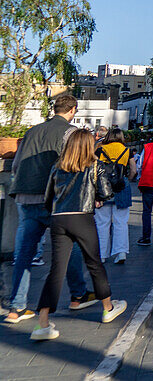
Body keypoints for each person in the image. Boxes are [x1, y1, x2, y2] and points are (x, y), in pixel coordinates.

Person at [4, 94, 94, 325]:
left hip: (24, 195)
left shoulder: (32, 131)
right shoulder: (71, 133)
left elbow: (15, 165)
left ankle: (17, 307)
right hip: (55, 199)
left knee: (23, 252)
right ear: (73, 110)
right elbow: (77, 166)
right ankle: (78, 294)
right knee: (68, 245)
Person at [31, 128, 127, 341]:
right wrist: (96, 197)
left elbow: (48, 199)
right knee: (94, 263)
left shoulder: (57, 168)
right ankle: (108, 307)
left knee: (56, 270)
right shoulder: (94, 166)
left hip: (59, 218)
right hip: (82, 217)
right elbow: (106, 193)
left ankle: (43, 323)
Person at [94, 128, 135, 264]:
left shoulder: (100, 150)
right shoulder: (127, 151)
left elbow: (94, 170)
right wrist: (126, 178)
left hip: (103, 187)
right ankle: (121, 252)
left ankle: (102, 254)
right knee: (121, 222)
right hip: (122, 186)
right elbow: (134, 170)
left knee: (102, 223)